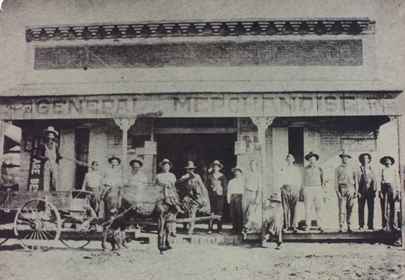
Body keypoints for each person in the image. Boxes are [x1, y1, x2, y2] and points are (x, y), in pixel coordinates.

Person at [302, 152, 326, 232]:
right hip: (308, 189)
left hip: (317, 189)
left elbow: (323, 181)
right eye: (310, 159)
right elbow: (302, 181)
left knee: (319, 208)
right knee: (308, 209)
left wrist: (323, 192)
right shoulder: (305, 169)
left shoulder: (320, 169)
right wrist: (303, 190)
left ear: (316, 160)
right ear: (308, 160)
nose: (312, 161)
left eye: (313, 159)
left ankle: (320, 225)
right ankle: (307, 225)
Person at [335, 152, 358, 233]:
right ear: (341, 158)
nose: (345, 159)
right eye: (343, 157)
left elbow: (356, 180)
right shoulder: (338, 168)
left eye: (346, 157)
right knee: (342, 209)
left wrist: (356, 191)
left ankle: (349, 226)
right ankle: (341, 226)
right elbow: (336, 181)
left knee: (350, 208)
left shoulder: (352, 168)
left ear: (349, 158)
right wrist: (337, 192)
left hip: (351, 188)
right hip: (342, 189)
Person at [279, 154, 302, 232]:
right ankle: (286, 226)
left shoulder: (296, 169)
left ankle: (294, 226)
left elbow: (299, 180)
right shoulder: (283, 168)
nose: (289, 160)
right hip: (285, 188)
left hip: (294, 188)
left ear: (293, 160)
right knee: (285, 208)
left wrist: (297, 189)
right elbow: (280, 178)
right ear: (286, 160)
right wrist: (282, 188)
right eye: (287, 159)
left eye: (290, 159)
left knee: (294, 208)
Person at [35, 126, 62, 191]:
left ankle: (55, 192)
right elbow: (38, 156)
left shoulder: (56, 145)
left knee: (55, 178)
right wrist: (45, 158)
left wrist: (59, 156)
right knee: (46, 179)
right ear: (46, 135)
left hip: (54, 163)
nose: (50, 135)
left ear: (54, 135)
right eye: (49, 133)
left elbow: (58, 155)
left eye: (52, 133)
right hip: (46, 163)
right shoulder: (42, 145)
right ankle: (46, 193)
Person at [379, 155, 400, 231]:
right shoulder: (383, 170)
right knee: (384, 207)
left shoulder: (394, 170)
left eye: (389, 160)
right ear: (384, 162)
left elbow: (397, 180)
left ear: (391, 162)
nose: (387, 161)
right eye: (386, 160)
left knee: (393, 207)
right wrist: (380, 191)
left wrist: (397, 191)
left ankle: (394, 226)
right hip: (384, 188)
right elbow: (380, 181)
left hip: (392, 188)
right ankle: (385, 226)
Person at [206, 160, 227, 234]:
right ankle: (210, 228)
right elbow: (207, 187)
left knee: (219, 212)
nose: (215, 168)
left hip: (219, 196)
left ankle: (219, 228)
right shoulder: (210, 176)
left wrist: (221, 192)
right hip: (212, 196)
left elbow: (225, 188)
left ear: (219, 168)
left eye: (217, 166)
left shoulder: (222, 176)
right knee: (211, 211)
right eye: (214, 166)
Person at [357, 153, 376, 231]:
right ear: (361, 160)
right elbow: (356, 180)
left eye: (367, 158)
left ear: (369, 160)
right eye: (364, 158)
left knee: (371, 208)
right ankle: (361, 225)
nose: (365, 160)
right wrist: (357, 191)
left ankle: (370, 225)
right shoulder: (359, 169)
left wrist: (374, 190)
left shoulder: (371, 169)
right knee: (361, 208)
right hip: (361, 191)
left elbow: (374, 180)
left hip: (370, 191)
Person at [101, 156, 123, 220]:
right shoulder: (108, 171)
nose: (114, 163)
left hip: (116, 190)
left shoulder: (119, 172)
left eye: (115, 162)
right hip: (108, 189)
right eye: (112, 162)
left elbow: (120, 183)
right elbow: (104, 180)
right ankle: (106, 219)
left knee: (115, 206)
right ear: (110, 163)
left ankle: (114, 220)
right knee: (107, 205)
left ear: (118, 163)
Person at [227, 167, 244, 233]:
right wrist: (228, 199)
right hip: (232, 197)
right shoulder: (231, 181)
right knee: (233, 213)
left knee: (239, 213)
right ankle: (234, 228)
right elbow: (229, 191)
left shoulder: (242, 181)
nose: (237, 173)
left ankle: (239, 229)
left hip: (239, 197)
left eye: (238, 172)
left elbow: (244, 191)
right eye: (235, 172)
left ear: (240, 173)